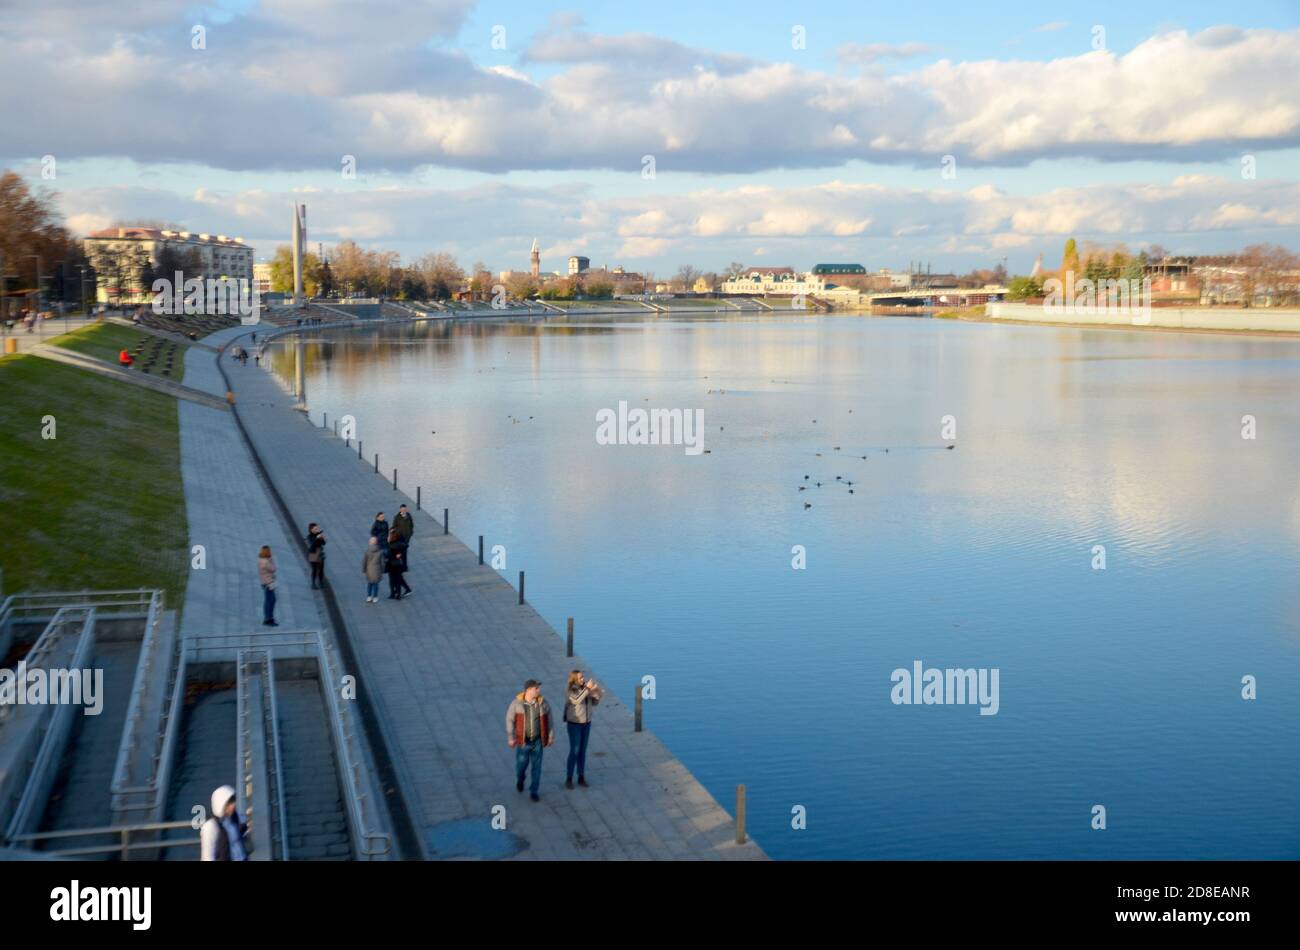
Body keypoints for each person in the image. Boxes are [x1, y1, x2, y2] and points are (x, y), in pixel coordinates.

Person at [506, 679, 554, 802]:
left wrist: (550, 735)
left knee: (537, 767)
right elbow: (509, 720)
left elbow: (550, 720)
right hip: (523, 742)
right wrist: (511, 737)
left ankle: (534, 791)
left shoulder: (543, 703)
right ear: (528, 690)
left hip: (537, 741)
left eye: (538, 688)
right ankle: (520, 779)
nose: (539, 690)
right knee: (521, 765)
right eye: (536, 688)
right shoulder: (517, 704)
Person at [563, 670, 602, 789]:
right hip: (574, 724)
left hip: (586, 723)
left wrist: (596, 693)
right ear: (574, 679)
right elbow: (576, 700)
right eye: (580, 678)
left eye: (583, 677)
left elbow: (594, 703)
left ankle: (581, 776)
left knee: (582, 751)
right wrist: (587, 690)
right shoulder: (571, 690)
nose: (582, 679)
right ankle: (569, 778)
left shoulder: (585, 688)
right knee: (574, 750)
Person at [200, 785, 248, 861]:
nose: (233, 805)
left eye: (233, 801)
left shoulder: (236, 818)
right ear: (220, 805)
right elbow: (207, 857)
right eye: (229, 803)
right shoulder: (210, 826)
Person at [385, 528, 411, 599]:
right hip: (395, 564)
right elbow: (405, 546)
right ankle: (396, 593)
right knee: (396, 579)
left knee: (394, 579)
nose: (388, 535)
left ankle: (395, 593)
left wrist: (400, 554)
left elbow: (388, 554)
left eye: (390, 534)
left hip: (393, 564)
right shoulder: (397, 543)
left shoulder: (393, 545)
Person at [257, 545, 278, 626]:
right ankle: (268, 619)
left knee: (268, 601)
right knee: (271, 601)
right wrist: (271, 560)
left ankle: (268, 618)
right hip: (268, 583)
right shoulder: (266, 562)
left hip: (265, 582)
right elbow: (274, 569)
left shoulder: (260, 559)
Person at [361, 536, 383, 603]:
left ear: (370, 543)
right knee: (376, 584)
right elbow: (382, 563)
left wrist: (364, 570)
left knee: (370, 584)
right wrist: (382, 570)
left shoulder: (367, 552)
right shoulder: (380, 552)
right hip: (377, 570)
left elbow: (364, 561)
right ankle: (375, 597)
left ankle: (369, 597)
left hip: (369, 570)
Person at [306, 522, 327, 589]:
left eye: (317, 528)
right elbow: (311, 546)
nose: (317, 530)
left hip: (319, 553)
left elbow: (323, 543)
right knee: (314, 569)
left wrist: (322, 538)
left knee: (321, 569)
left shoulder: (318, 534)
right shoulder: (309, 537)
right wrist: (317, 538)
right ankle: (313, 583)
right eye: (315, 529)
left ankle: (321, 582)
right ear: (311, 529)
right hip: (313, 554)